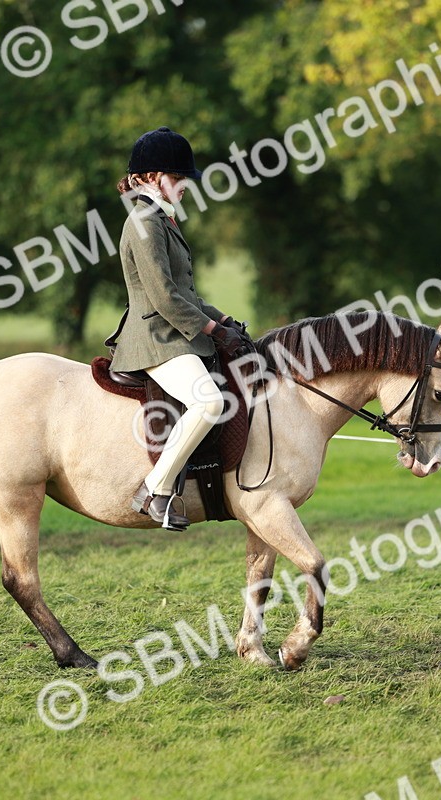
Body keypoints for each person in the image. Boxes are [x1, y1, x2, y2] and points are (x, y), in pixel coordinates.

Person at [110, 126, 253, 531]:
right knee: (210, 403)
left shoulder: (161, 219)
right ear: (152, 178)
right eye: (179, 177)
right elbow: (162, 296)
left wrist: (224, 321)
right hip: (155, 340)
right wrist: (210, 328)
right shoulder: (143, 220)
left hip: (174, 335)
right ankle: (154, 490)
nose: (186, 185)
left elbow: (184, 290)